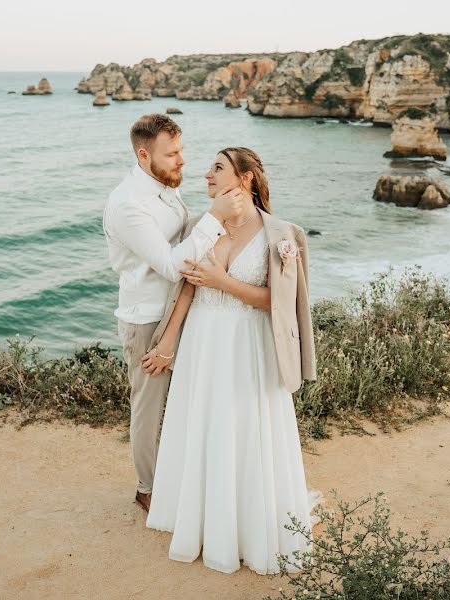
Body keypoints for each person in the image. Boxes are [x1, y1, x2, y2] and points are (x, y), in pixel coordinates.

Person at [142, 146, 320, 574]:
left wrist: (223, 281)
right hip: (203, 341)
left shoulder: (280, 235)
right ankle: (203, 520)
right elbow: (186, 288)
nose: (206, 175)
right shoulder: (202, 226)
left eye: (217, 168)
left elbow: (279, 303)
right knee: (203, 425)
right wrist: (167, 344)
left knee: (242, 428)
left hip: (248, 345)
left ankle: (243, 528)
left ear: (246, 179)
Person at [102, 115, 244, 512]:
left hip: (181, 308)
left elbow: (183, 237)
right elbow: (169, 265)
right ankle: (147, 488)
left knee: (186, 397)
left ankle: (180, 473)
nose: (182, 160)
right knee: (148, 408)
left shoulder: (164, 186)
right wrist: (215, 218)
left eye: (181, 150)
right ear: (144, 155)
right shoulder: (128, 205)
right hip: (147, 317)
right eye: (172, 154)